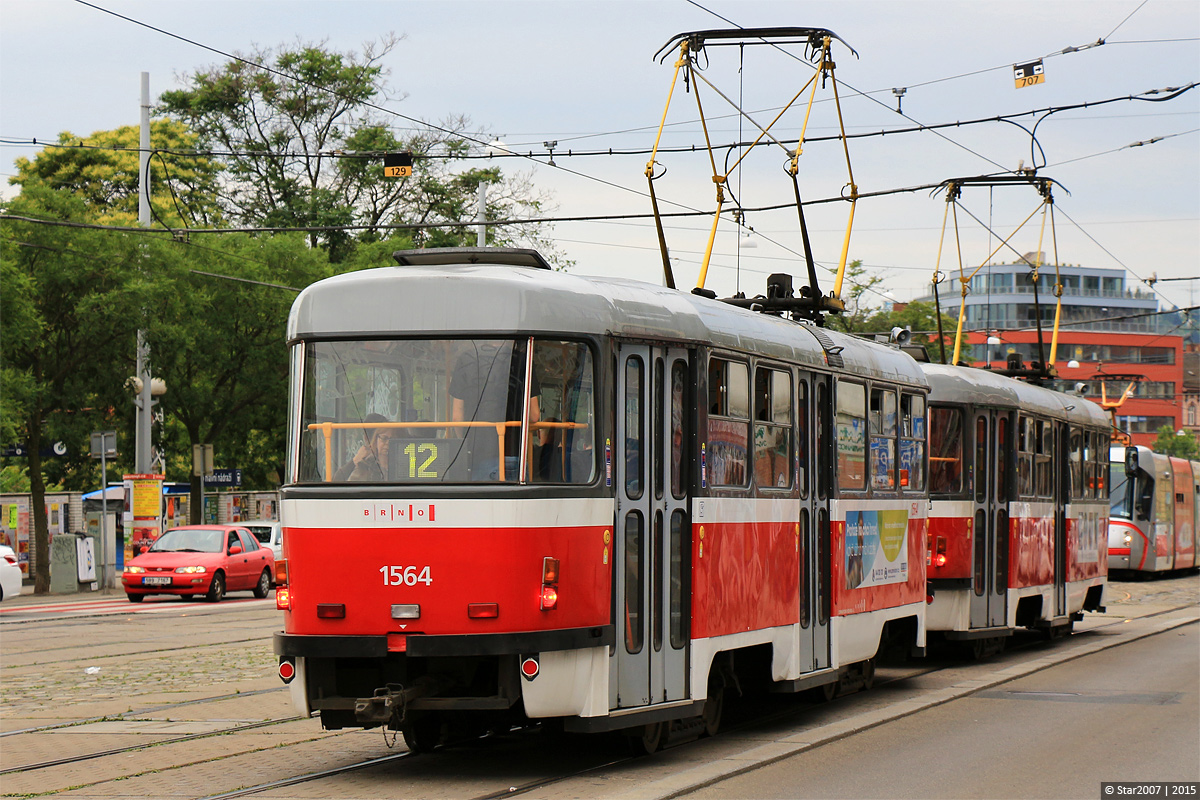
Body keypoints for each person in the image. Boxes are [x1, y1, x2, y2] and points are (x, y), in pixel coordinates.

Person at [449, 341, 542, 480]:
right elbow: (534, 415)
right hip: (514, 454)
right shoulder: (524, 360)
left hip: (478, 455)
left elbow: (457, 417)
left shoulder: (465, 359)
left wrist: (467, 442)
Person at [334, 413, 394, 482]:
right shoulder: (365, 465)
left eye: (392, 438)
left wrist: (355, 460)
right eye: (384, 438)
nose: (388, 443)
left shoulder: (364, 463)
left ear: (365, 437)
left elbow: (337, 480)